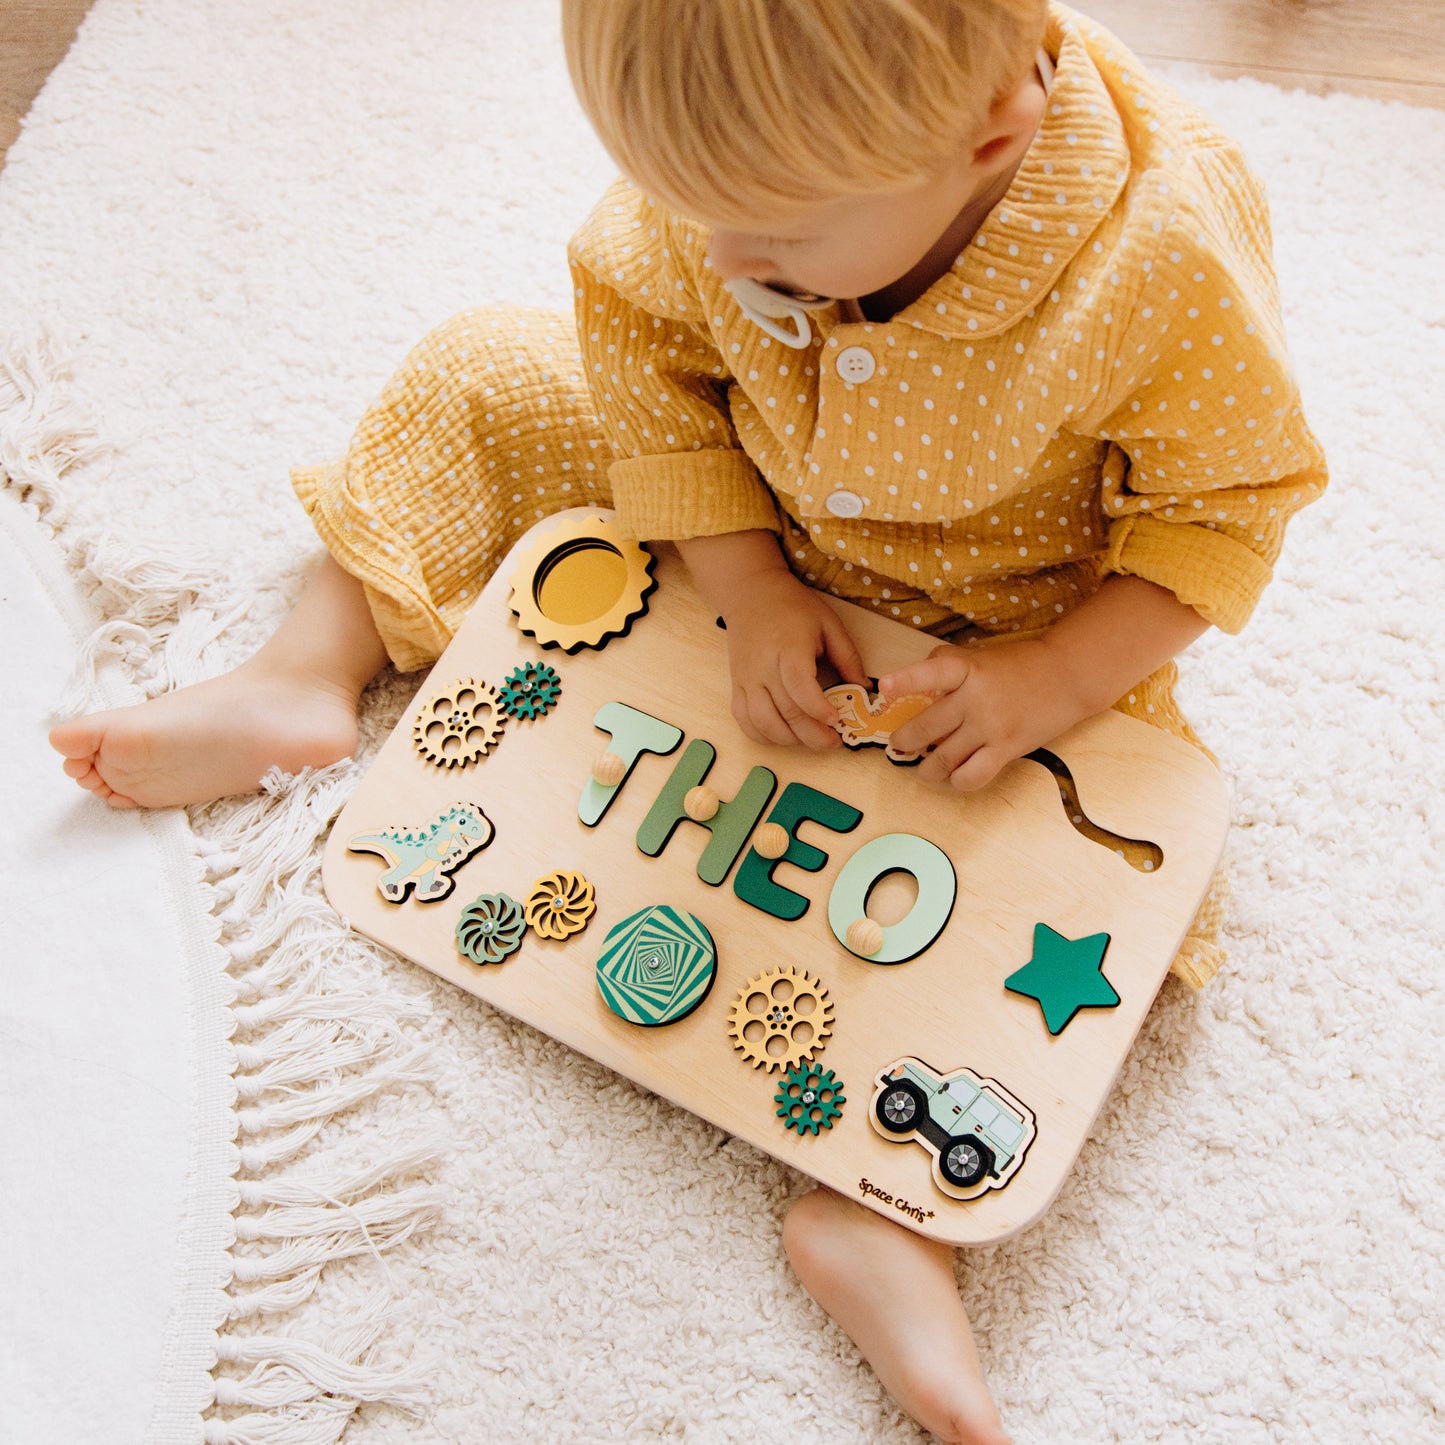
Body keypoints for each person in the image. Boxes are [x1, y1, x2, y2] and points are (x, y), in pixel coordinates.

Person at [49, 3, 1327, 1437]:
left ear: (987, 136)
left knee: (1141, 859)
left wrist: (1051, 682)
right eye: (688, 206)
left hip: (1008, 618)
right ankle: (307, 667)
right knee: (478, 368)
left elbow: (1222, 516)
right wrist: (747, 586)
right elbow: (648, 373)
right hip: (745, 509)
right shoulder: (721, 190)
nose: (719, 257)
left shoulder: (1162, 248)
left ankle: (881, 1200)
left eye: (769, 239)